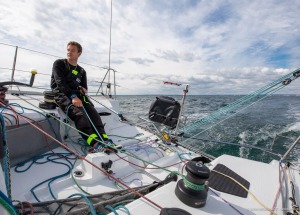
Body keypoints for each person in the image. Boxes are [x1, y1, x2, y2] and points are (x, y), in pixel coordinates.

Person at [51, 41, 112, 153]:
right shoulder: (59, 63)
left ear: (79, 53)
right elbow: (60, 83)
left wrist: (83, 90)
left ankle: (104, 139)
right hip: (62, 94)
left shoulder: (82, 71)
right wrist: (73, 96)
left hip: (79, 96)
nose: (69, 52)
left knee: (94, 114)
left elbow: (84, 87)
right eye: (68, 50)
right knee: (79, 114)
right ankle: (94, 143)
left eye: (73, 50)